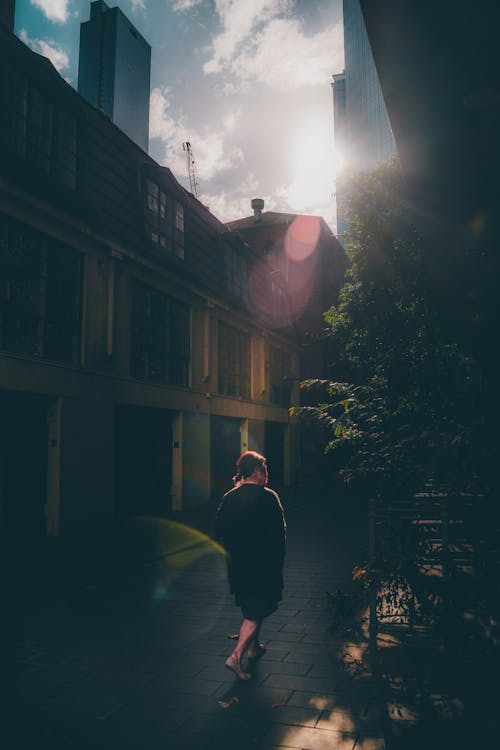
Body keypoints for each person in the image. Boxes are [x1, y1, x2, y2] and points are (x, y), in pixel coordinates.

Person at [215, 451, 286, 680]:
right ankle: (235, 657)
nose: (266, 475)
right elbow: (279, 534)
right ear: (256, 471)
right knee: (255, 612)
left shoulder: (229, 497)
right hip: (262, 565)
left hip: (237, 564)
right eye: (264, 470)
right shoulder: (268, 497)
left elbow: (219, 529)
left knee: (252, 605)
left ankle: (254, 648)